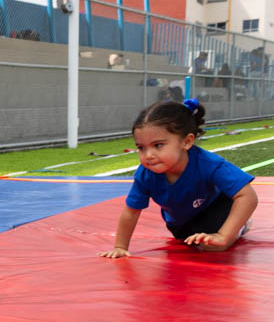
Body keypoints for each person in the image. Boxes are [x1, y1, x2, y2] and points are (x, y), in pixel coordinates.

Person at [98, 99, 257, 258]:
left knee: (213, 245)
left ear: (186, 142)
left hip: (217, 208)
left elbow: (247, 196)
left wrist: (223, 235)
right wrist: (120, 246)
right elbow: (131, 212)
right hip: (182, 224)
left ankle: (240, 225)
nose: (148, 155)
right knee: (188, 239)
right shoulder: (145, 174)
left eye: (158, 145)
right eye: (141, 148)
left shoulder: (209, 164)